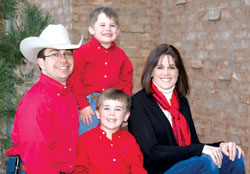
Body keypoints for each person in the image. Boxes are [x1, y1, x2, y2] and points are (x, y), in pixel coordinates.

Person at [128, 43, 245, 174]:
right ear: (151, 71)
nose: (166, 73)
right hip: (158, 170)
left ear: (178, 72)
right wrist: (199, 150)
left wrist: (221, 145)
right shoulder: (139, 102)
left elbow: (194, 143)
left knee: (234, 157)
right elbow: (153, 151)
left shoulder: (181, 102)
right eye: (160, 67)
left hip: (186, 163)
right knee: (206, 162)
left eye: (171, 67)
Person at [6, 24, 82, 174]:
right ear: (41, 62)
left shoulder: (68, 95)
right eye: (55, 54)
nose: (63, 59)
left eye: (67, 53)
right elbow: (37, 158)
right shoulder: (37, 101)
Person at [68, 6, 133, 135]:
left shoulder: (121, 56)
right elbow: (74, 80)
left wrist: (125, 108)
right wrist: (83, 105)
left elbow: (127, 81)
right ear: (91, 29)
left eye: (112, 25)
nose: (107, 29)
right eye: (102, 25)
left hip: (114, 106)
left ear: (118, 31)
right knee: (86, 141)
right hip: (90, 106)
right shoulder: (82, 53)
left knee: (110, 141)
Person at [73, 88, 147, 174]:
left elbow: (138, 170)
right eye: (107, 108)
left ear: (126, 116)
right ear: (97, 113)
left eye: (118, 109)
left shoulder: (130, 140)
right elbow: (79, 170)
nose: (112, 113)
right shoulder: (84, 140)